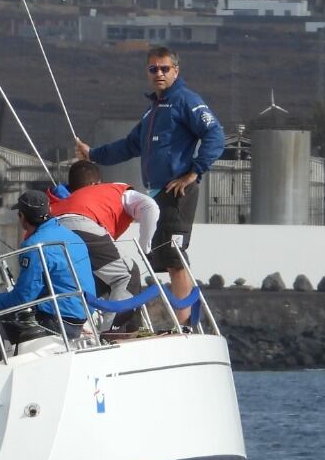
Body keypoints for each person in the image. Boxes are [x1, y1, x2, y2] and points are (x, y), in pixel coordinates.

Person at [75, 45, 223, 324]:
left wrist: (194, 172)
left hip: (177, 191)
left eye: (165, 68)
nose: (159, 73)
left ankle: (185, 323)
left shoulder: (186, 100)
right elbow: (130, 145)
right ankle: (184, 319)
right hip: (157, 193)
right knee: (165, 257)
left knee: (174, 255)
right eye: (153, 69)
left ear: (176, 71)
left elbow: (214, 132)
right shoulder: (152, 111)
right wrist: (93, 154)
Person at [48, 159, 159, 305]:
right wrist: (145, 247)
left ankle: (80, 325)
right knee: (127, 274)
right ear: (97, 183)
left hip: (49, 232)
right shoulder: (113, 190)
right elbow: (149, 206)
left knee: (79, 284)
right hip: (83, 227)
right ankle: (117, 327)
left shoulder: (57, 200)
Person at [0, 190, 95, 340]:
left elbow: (24, 296)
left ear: (22, 216)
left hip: (58, 319)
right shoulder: (71, 236)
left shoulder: (34, 246)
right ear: (49, 210)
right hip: (82, 316)